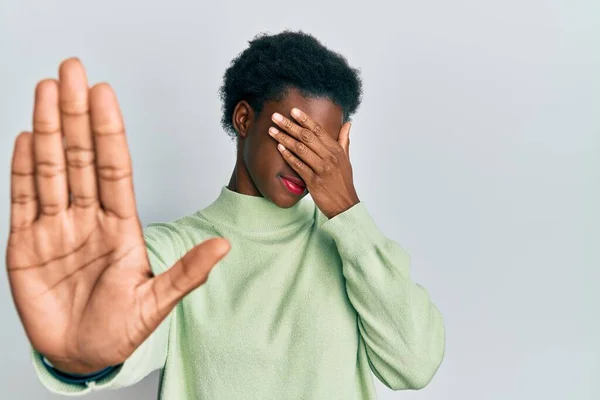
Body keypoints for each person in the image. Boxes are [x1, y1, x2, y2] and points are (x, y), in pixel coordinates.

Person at [6, 31, 445, 399]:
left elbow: (414, 364)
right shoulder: (176, 250)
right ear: (243, 119)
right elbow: (126, 323)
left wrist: (348, 212)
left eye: (321, 151)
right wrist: (81, 359)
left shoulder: (357, 255)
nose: (304, 165)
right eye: (294, 140)